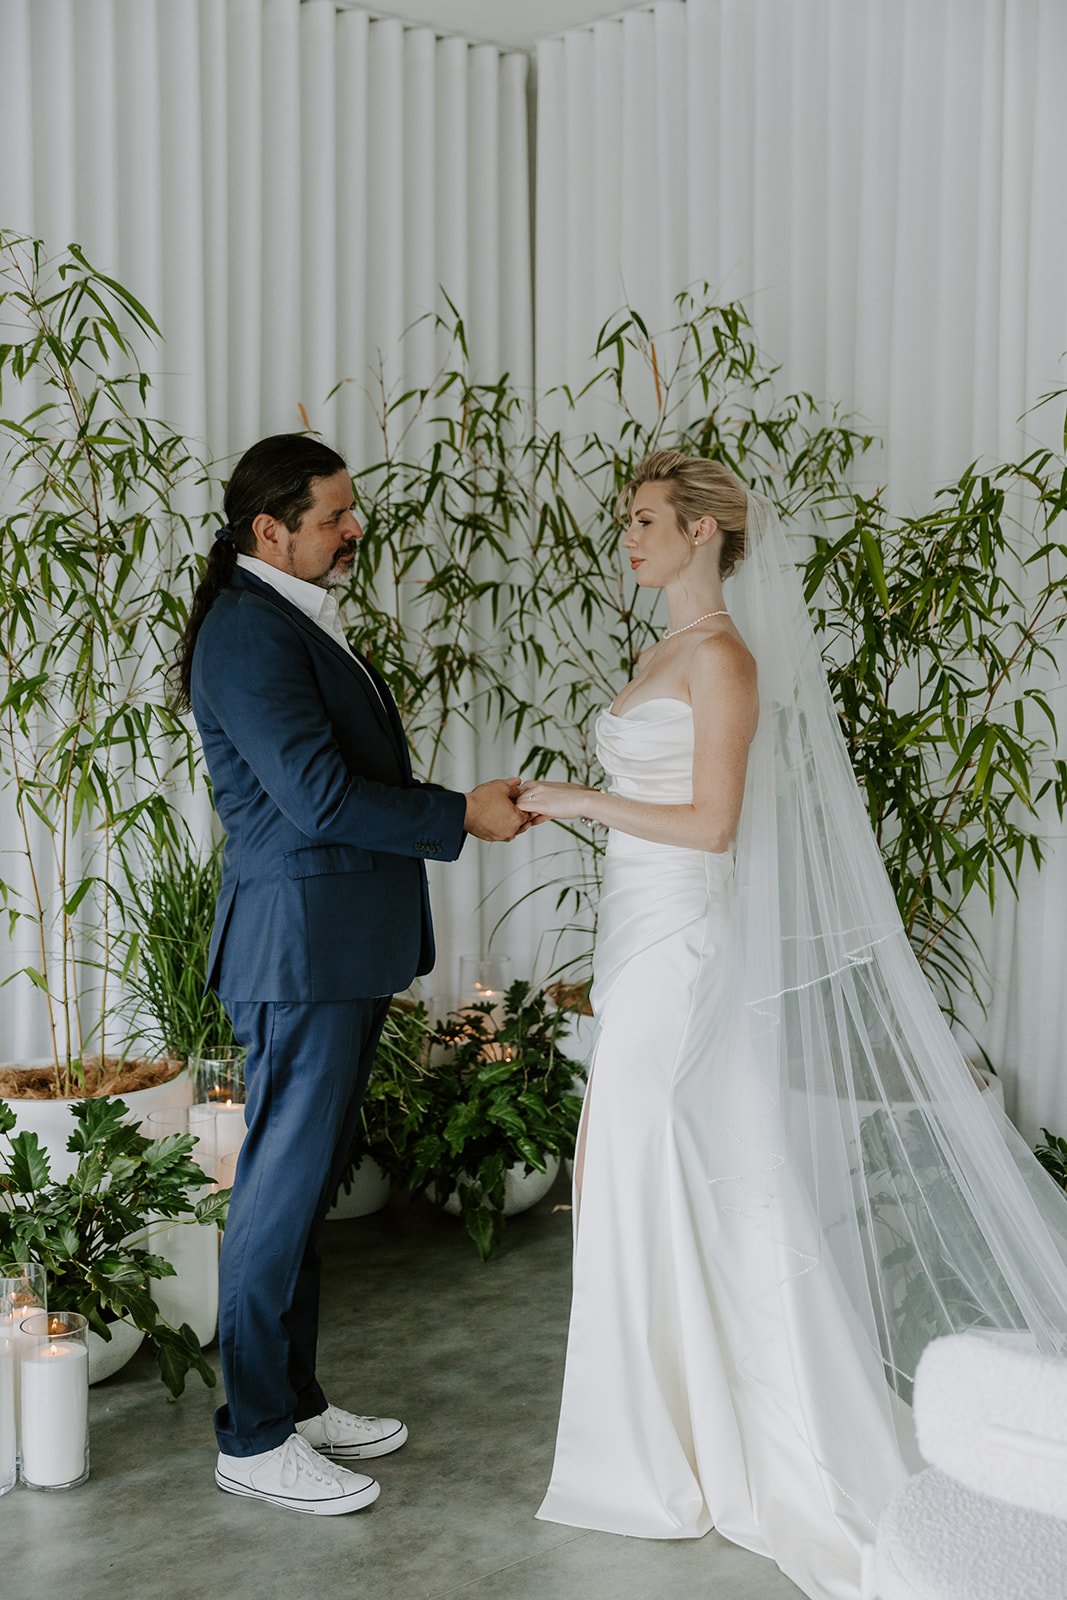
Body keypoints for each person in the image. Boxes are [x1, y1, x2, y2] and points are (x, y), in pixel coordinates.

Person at [516, 450, 1067, 1600]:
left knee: (659, 1157)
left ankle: (689, 1442)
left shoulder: (721, 658)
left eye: (647, 520)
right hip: (637, 938)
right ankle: (657, 1432)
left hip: (679, 947)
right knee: (640, 1169)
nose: (629, 537)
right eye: (628, 520)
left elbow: (710, 825)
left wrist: (572, 798)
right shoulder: (660, 648)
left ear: (706, 531)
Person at [171, 433, 526, 1517]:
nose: (354, 529)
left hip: (335, 943)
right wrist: (458, 812)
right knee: (277, 1189)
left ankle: (296, 1398)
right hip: (299, 950)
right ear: (268, 529)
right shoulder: (245, 633)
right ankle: (254, 1434)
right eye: (334, 515)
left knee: (302, 1179)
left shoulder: (283, 617)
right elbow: (320, 797)